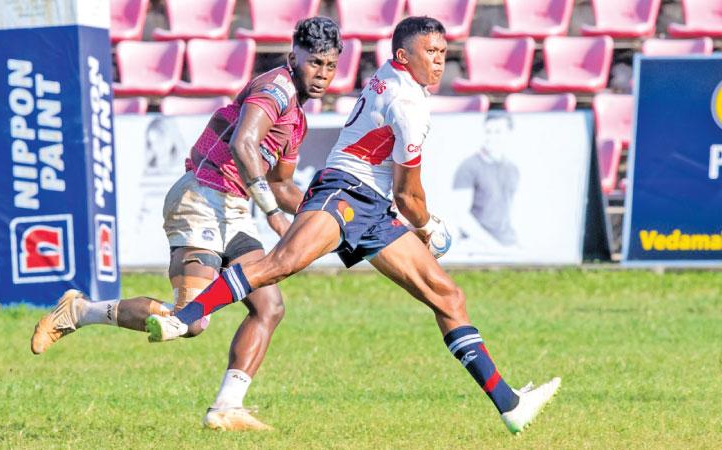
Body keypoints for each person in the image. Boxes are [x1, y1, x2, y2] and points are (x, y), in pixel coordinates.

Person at [147, 16, 561, 434]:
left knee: (448, 296)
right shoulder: (409, 107)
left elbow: (393, 188)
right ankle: (185, 316)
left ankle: (510, 406)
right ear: (404, 56)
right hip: (344, 193)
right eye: (430, 53)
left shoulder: (390, 76)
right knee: (281, 263)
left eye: (442, 53)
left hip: (372, 208)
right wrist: (429, 226)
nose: (439, 62)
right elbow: (408, 196)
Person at [29, 17, 343, 431]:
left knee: (269, 306)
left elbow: (281, 182)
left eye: (330, 65)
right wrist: (271, 212)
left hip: (233, 209)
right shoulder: (276, 88)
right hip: (201, 196)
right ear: (293, 57)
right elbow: (243, 143)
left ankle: (227, 407)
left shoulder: (297, 117)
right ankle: (79, 311)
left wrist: (326, 215)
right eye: (314, 63)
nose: (321, 74)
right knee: (190, 321)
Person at [452, 113, 519, 247]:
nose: (492, 137)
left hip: (507, 242)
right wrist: (494, 247)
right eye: (488, 132)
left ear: (509, 133)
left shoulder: (512, 169)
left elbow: (507, 211)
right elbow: (461, 217)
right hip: (476, 243)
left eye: (498, 132)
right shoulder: (468, 166)